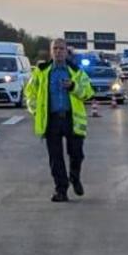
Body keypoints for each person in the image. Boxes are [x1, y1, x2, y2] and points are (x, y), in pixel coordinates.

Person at [24, 38, 94, 202]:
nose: (58, 52)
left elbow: (88, 92)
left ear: (66, 52)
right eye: (55, 49)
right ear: (51, 51)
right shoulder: (41, 72)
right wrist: (36, 111)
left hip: (72, 119)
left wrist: (73, 87)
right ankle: (61, 190)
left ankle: (74, 177)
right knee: (56, 158)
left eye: (61, 49)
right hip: (52, 120)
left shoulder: (76, 71)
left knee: (76, 154)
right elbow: (30, 93)